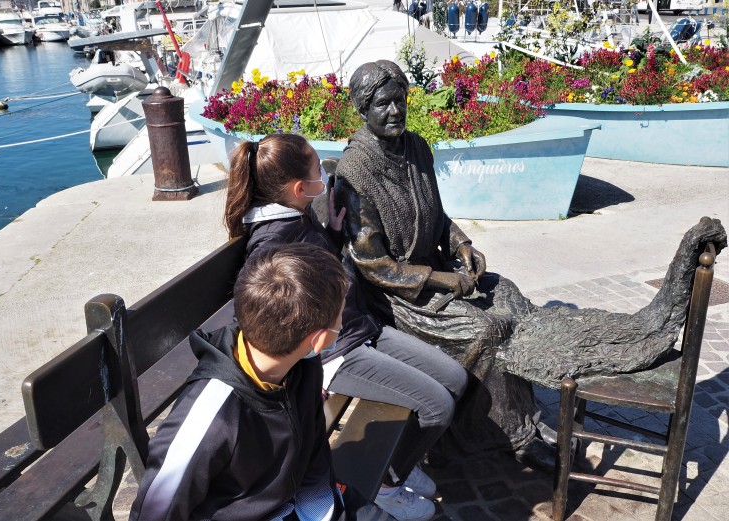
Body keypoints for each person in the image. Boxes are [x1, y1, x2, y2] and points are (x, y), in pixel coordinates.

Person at [332, 59, 726, 471]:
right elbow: (374, 265)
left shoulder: (415, 147)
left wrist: (462, 243)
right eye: (383, 105)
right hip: (400, 298)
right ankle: (509, 437)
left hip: (437, 277)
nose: (395, 111)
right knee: (487, 330)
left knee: (509, 295)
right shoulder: (355, 173)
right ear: (362, 109)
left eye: (400, 100)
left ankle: (522, 415)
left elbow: (438, 215)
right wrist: (443, 279)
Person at [224, 133, 469, 521]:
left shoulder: (294, 213)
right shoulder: (272, 242)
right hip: (335, 352)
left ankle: (400, 465)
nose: (326, 173)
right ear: (300, 187)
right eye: (318, 169)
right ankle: (387, 484)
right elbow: (258, 314)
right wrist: (301, 375)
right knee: (437, 406)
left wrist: (333, 235)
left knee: (454, 379)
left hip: (358, 328)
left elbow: (312, 268)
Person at [129, 243, 393, 521]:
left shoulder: (302, 363)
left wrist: (321, 508)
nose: (343, 321)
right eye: (341, 313)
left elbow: (312, 449)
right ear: (319, 339)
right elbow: (153, 514)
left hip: (312, 500)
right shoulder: (208, 420)